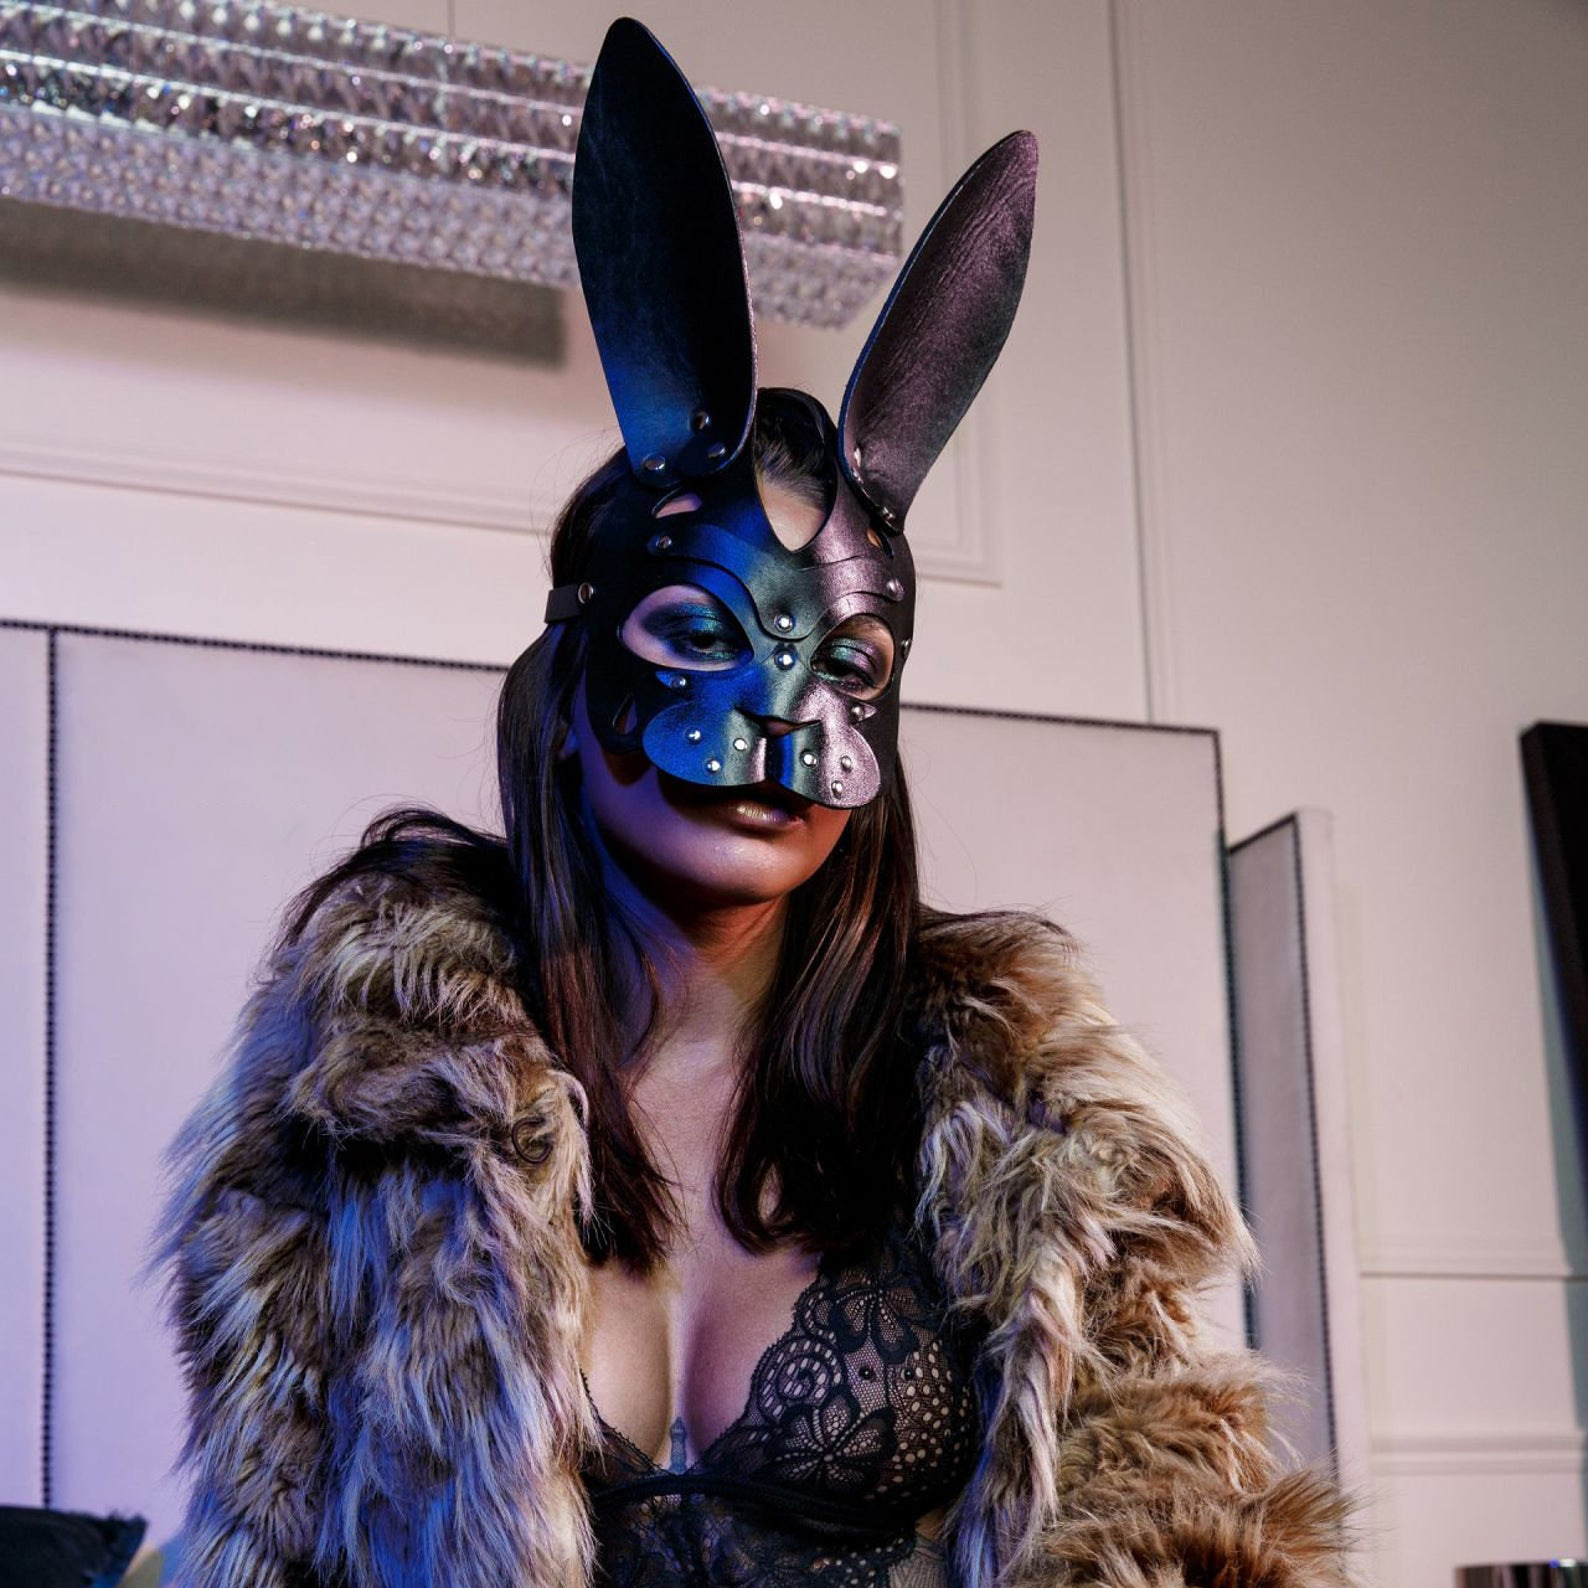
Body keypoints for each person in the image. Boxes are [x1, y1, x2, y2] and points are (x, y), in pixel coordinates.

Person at [159, 18, 1354, 1588]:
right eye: (698, 635)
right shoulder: (368, 1107)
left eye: (844, 665)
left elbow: (1179, 1528)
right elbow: (263, 1536)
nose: (776, 724)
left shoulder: (1022, 1125)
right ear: (569, 699)